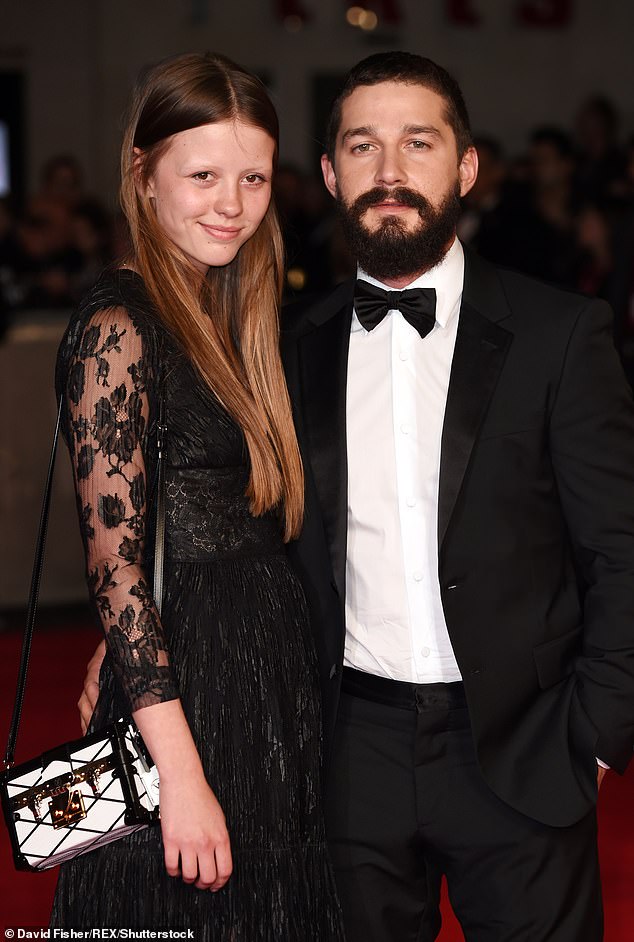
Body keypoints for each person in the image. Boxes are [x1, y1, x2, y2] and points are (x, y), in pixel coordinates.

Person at [81, 52, 634, 941]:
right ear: (332, 174)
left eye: (417, 144)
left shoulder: (562, 334)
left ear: (465, 167)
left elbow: (622, 548)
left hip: (526, 750)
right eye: (363, 146)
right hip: (341, 753)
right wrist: (131, 631)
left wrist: (598, 737)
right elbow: (221, 508)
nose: (390, 172)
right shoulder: (283, 343)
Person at [51, 51, 344, 940]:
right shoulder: (119, 326)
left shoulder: (232, 315)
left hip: (265, 670)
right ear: (143, 176)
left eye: (253, 176)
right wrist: (178, 778)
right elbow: (116, 572)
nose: (232, 202)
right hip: (190, 699)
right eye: (203, 175)